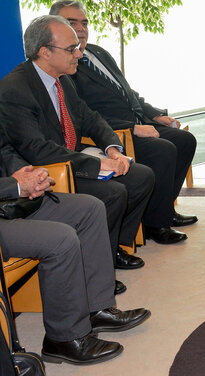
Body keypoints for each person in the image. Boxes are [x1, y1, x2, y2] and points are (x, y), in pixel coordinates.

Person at [0, 15, 154, 270]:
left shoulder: (63, 80)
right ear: (45, 52)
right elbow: (37, 150)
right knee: (113, 194)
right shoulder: (15, 89)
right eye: (71, 49)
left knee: (142, 177)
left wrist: (112, 149)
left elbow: (90, 118)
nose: (79, 55)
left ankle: (112, 248)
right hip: (48, 170)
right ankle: (95, 265)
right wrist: (97, 166)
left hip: (69, 156)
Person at [0, 131, 150, 365]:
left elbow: (4, 149)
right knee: (60, 238)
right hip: (6, 202)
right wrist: (15, 186)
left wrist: (28, 175)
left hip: (9, 200)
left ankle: (96, 309)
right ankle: (63, 338)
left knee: (90, 209)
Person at [53, 0, 196, 244]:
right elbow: (83, 115)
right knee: (164, 149)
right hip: (116, 132)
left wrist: (154, 114)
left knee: (185, 140)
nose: (81, 28)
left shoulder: (98, 53)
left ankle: (162, 211)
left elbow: (128, 92)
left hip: (138, 122)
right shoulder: (65, 66)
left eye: (84, 22)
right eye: (72, 23)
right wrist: (132, 128)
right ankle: (155, 224)